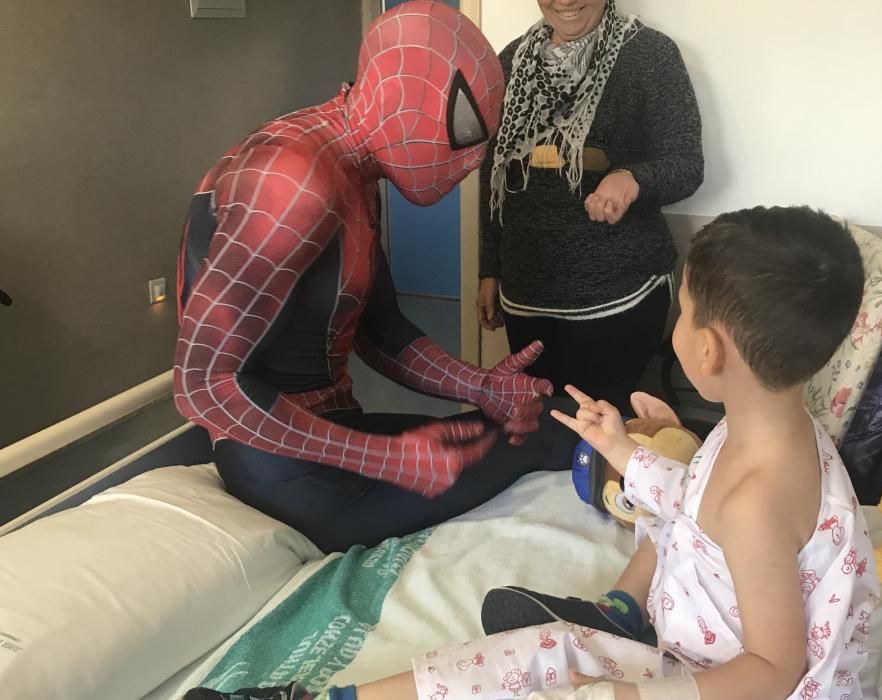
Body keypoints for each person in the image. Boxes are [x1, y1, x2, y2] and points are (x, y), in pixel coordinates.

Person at [187, 206, 877, 700]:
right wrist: (625, 453)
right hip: (694, 643)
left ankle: (618, 624)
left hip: (723, 679)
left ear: (707, 349)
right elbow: (702, 511)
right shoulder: (770, 428)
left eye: (683, 309)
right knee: (536, 649)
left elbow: (772, 670)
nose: (677, 325)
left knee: (549, 668)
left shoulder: (757, 502)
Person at [173, 1, 579, 555]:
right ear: (398, 95)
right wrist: (385, 459)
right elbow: (204, 386)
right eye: (466, 128)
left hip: (329, 435)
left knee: (550, 419)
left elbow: (381, 331)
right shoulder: (292, 177)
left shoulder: (351, 170)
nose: (475, 158)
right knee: (555, 433)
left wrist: (481, 385)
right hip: (286, 469)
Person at [476, 0, 704, 412]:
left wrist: (632, 178)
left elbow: (686, 164)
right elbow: (494, 172)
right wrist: (489, 268)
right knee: (541, 424)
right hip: (527, 295)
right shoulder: (510, 60)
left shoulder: (649, 54)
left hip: (618, 296)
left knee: (601, 434)